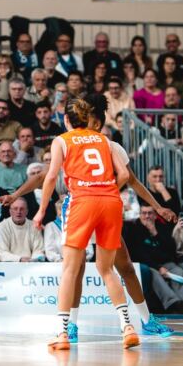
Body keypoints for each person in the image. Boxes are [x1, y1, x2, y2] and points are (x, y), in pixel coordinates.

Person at [33, 96, 139, 350]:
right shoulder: (104, 139)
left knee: (70, 270)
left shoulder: (62, 140)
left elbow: (51, 177)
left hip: (82, 201)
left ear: (66, 119)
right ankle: (127, 327)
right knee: (106, 269)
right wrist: (105, 188)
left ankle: (62, 333)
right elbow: (124, 174)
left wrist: (41, 210)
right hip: (111, 201)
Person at [123, 204, 183, 312]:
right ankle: (173, 303)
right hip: (149, 265)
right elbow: (139, 254)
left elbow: (171, 249)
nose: (147, 216)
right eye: (144, 213)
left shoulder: (161, 227)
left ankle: (182, 304)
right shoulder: (134, 229)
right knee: (154, 274)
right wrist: (158, 267)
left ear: (155, 215)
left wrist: (155, 232)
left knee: (178, 271)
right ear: (140, 215)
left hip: (166, 263)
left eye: (150, 213)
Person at [0, 197, 45, 262]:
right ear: (10, 211)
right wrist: (20, 259)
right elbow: (2, 253)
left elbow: (39, 250)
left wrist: (32, 261)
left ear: (27, 211)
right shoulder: (1, 227)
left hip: (31, 264)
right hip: (9, 265)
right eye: (15, 209)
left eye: (22, 209)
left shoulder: (34, 226)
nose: (18, 212)